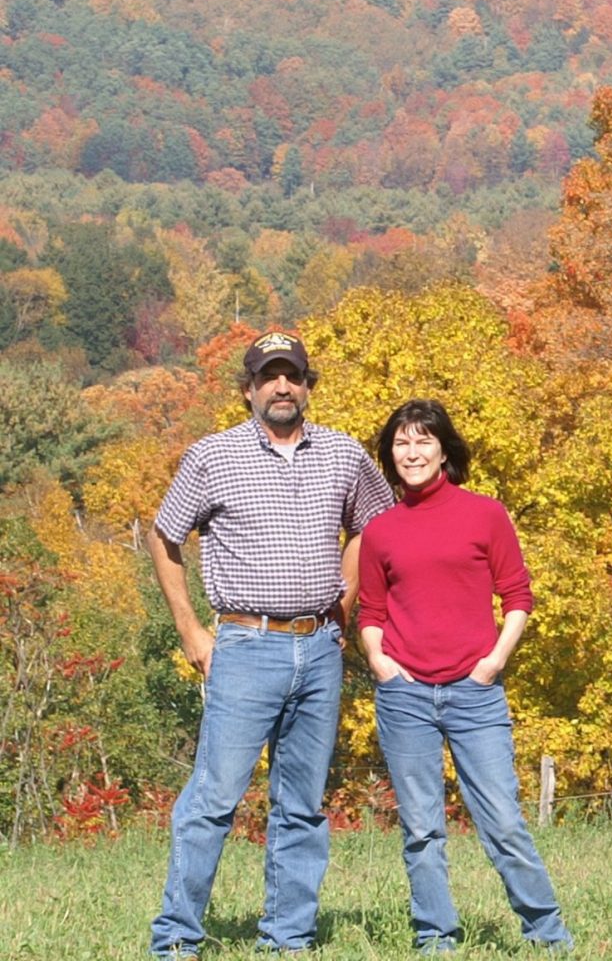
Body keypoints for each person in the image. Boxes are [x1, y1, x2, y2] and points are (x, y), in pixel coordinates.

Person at [148, 331, 393, 957]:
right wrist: (190, 630)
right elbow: (164, 537)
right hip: (244, 645)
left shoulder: (342, 452)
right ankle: (176, 939)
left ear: (308, 385)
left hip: (319, 649)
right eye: (268, 376)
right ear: (248, 389)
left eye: (292, 376)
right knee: (213, 798)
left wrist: (344, 601)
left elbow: (374, 524)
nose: (281, 387)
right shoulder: (213, 456)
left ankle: (289, 937)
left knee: (303, 804)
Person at [358, 399, 574, 955]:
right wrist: (380, 664)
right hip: (404, 696)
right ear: (390, 455)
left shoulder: (485, 514)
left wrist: (492, 664)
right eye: (401, 443)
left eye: (423, 441)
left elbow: (518, 596)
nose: (412, 452)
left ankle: (547, 932)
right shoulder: (380, 531)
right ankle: (435, 934)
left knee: (502, 819)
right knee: (422, 829)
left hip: (473, 694)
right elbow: (371, 612)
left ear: (444, 449)